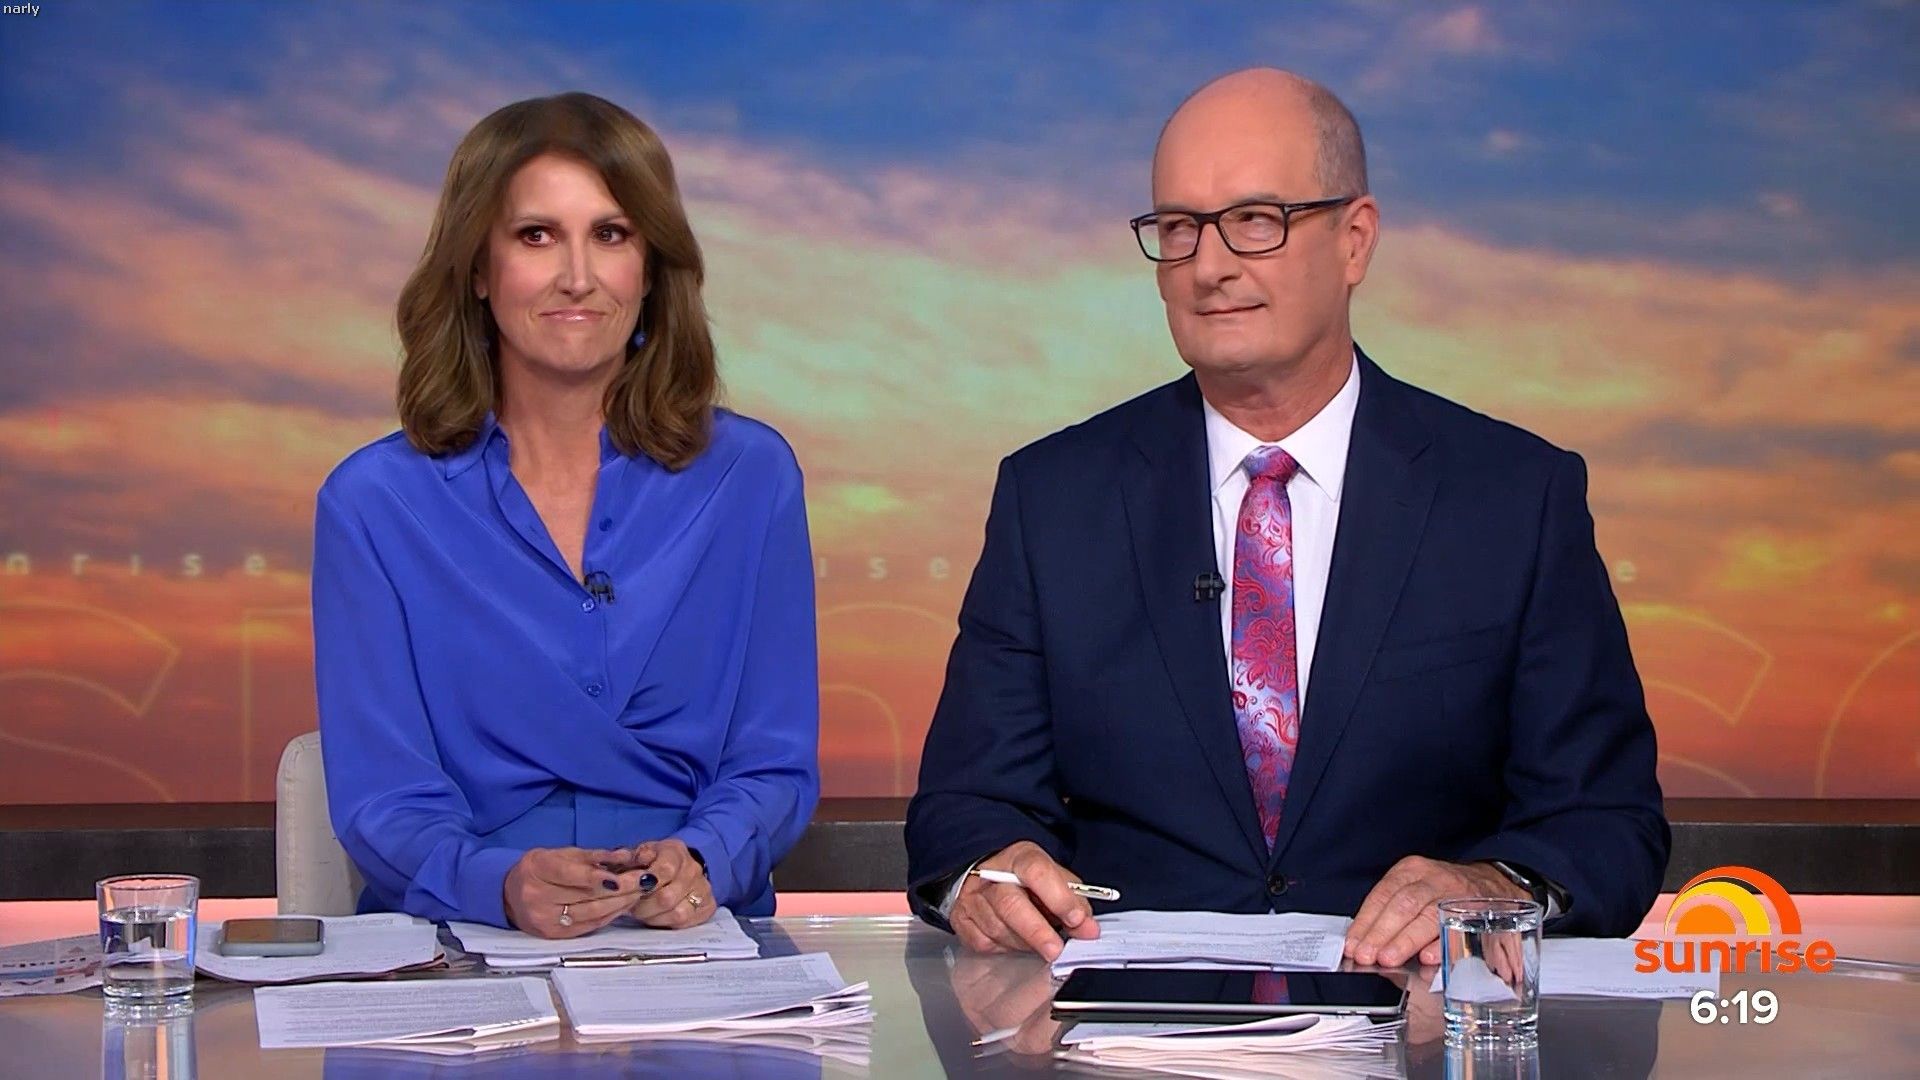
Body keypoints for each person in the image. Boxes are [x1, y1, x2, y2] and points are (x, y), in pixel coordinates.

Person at [905, 68, 1668, 966]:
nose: (1209, 266)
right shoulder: (1052, 498)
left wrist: (1497, 887)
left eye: (1255, 220)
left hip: (1417, 1011)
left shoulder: (1514, 497)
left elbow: (1605, 820)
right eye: (1179, 229)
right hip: (1126, 1021)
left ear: (1355, 240)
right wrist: (983, 876)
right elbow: (964, 808)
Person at [312, 92, 818, 937]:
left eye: (611, 235)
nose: (577, 276)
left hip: (691, 940)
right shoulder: (373, 503)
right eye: (536, 235)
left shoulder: (751, 478)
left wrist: (704, 859)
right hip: (466, 943)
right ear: (478, 269)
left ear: (651, 268)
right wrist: (499, 885)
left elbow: (773, 764)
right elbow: (383, 797)